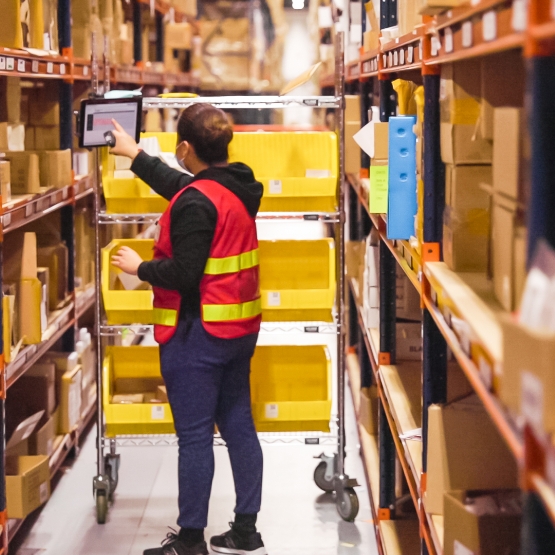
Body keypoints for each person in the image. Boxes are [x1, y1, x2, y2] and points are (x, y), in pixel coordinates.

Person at [109, 103, 267, 555]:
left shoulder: (198, 202)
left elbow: (184, 272)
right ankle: (245, 529)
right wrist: (136, 155)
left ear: (185, 147)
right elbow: (186, 187)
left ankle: (192, 539)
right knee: (239, 424)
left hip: (199, 336)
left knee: (195, 437)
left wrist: (141, 268)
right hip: (237, 329)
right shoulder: (235, 185)